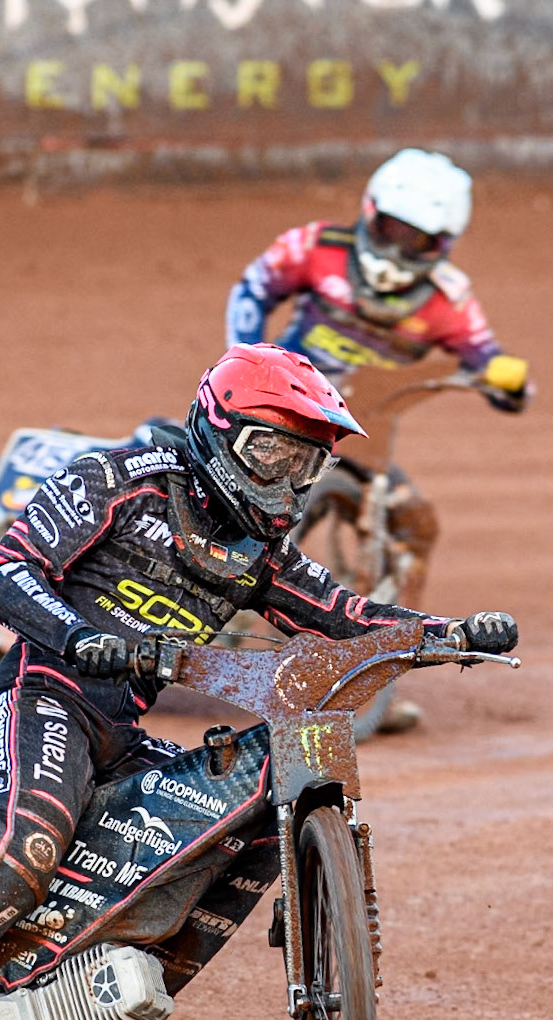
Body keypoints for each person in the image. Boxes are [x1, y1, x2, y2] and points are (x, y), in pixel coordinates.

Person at [0, 344, 521, 1020]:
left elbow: (344, 616)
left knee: (227, 832)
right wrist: (73, 638)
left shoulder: (256, 551)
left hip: (120, 725)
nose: (284, 479)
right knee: (22, 855)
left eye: (302, 462)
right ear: (216, 427)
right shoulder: (120, 480)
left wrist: (448, 632)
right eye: (268, 450)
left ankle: (95, 1019)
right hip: (50, 692)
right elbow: (4, 571)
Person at [224, 148, 531, 733]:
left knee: (415, 524)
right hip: (274, 410)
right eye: (392, 230)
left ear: (441, 244)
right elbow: (254, 288)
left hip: (362, 435)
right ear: (370, 214)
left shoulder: (450, 298)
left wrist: (508, 386)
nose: (397, 250)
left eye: (415, 241)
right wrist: (244, 354)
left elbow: (485, 356)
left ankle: (379, 679)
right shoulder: (315, 247)